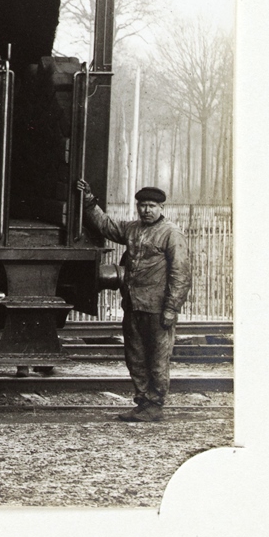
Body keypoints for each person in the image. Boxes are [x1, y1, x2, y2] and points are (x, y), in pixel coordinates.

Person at [77, 180, 192, 422]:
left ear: (161, 207)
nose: (146, 210)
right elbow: (106, 226)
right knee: (136, 358)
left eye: (151, 205)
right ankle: (142, 403)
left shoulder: (172, 233)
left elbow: (180, 274)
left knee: (157, 360)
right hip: (133, 305)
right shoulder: (133, 229)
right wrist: (89, 201)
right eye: (142, 205)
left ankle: (155, 405)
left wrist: (171, 308)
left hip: (158, 309)